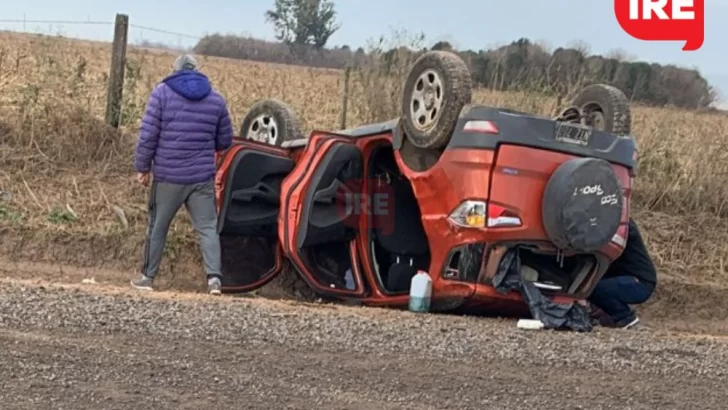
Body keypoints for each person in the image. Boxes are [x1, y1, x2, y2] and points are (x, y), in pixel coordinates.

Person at [130, 54, 233, 295]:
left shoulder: (162, 94)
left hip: (168, 176)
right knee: (208, 227)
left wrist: (143, 168)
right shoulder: (216, 100)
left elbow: (147, 137)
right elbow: (225, 140)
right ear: (197, 71)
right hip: (201, 178)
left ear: (175, 70)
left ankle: (147, 277)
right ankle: (214, 280)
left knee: (158, 226)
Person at [588, 217, 657, 329]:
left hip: (639, 281)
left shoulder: (623, 225)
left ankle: (627, 319)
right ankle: (605, 316)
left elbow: (602, 245)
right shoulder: (608, 221)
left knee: (592, 288)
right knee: (590, 285)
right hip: (623, 278)